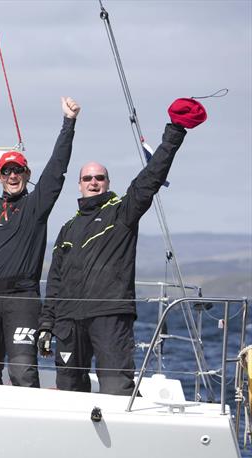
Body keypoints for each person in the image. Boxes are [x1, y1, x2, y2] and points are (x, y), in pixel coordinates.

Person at [37, 98, 207, 394]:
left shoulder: (122, 212)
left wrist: (175, 131)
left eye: (99, 178)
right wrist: (46, 325)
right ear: (79, 184)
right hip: (68, 322)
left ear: (107, 182)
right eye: (87, 178)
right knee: (67, 391)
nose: (93, 182)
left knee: (116, 389)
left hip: (109, 316)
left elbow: (150, 179)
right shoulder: (67, 228)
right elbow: (55, 282)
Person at [0, 97, 80, 387]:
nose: (12, 176)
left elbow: (57, 169)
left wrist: (68, 123)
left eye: (18, 171)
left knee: (21, 371)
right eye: (7, 171)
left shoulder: (35, 206)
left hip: (21, 300)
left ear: (27, 174)